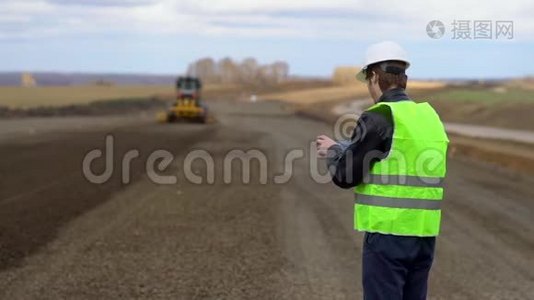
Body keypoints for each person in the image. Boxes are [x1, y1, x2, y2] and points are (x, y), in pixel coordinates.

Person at [315, 41, 449, 300]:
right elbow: (395, 156)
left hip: (388, 238)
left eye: (367, 80)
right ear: (404, 79)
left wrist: (333, 152)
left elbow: (346, 175)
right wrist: (346, 148)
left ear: (374, 77)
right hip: (423, 236)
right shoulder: (429, 117)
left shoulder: (378, 116)